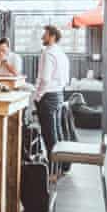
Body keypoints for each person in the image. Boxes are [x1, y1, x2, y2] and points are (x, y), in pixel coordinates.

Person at [34, 25, 70, 155]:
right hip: (58, 95)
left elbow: (44, 79)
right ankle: (63, 165)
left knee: (49, 134)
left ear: (52, 37)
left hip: (47, 96)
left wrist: (37, 96)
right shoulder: (61, 53)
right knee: (58, 132)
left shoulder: (47, 53)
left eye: (45, 34)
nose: (42, 36)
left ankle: (53, 169)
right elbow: (66, 79)